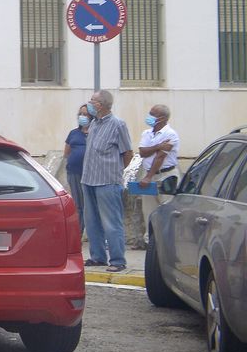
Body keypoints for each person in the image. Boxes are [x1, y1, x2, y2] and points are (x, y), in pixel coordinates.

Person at [81, 89, 134, 272]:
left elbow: (128, 153)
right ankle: (98, 257)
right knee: (92, 221)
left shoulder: (118, 125)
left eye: (92, 101)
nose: (89, 103)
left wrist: (117, 172)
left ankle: (118, 260)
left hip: (107, 181)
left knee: (111, 222)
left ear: (100, 105)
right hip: (88, 179)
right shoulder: (94, 124)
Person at [137, 104, 179, 226]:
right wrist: (158, 146)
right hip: (148, 175)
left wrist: (148, 177)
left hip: (166, 176)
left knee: (166, 211)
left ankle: (167, 242)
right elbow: (142, 152)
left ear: (162, 118)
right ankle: (149, 241)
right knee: (148, 212)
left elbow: (160, 157)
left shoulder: (171, 134)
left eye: (152, 114)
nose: (149, 117)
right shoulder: (147, 133)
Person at [61, 104, 92, 235]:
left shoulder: (95, 133)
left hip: (90, 174)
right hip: (74, 172)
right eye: (80, 114)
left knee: (89, 204)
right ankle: (78, 232)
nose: (82, 117)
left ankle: (91, 232)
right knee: (78, 204)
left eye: (85, 114)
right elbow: (66, 153)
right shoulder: (73, 133)